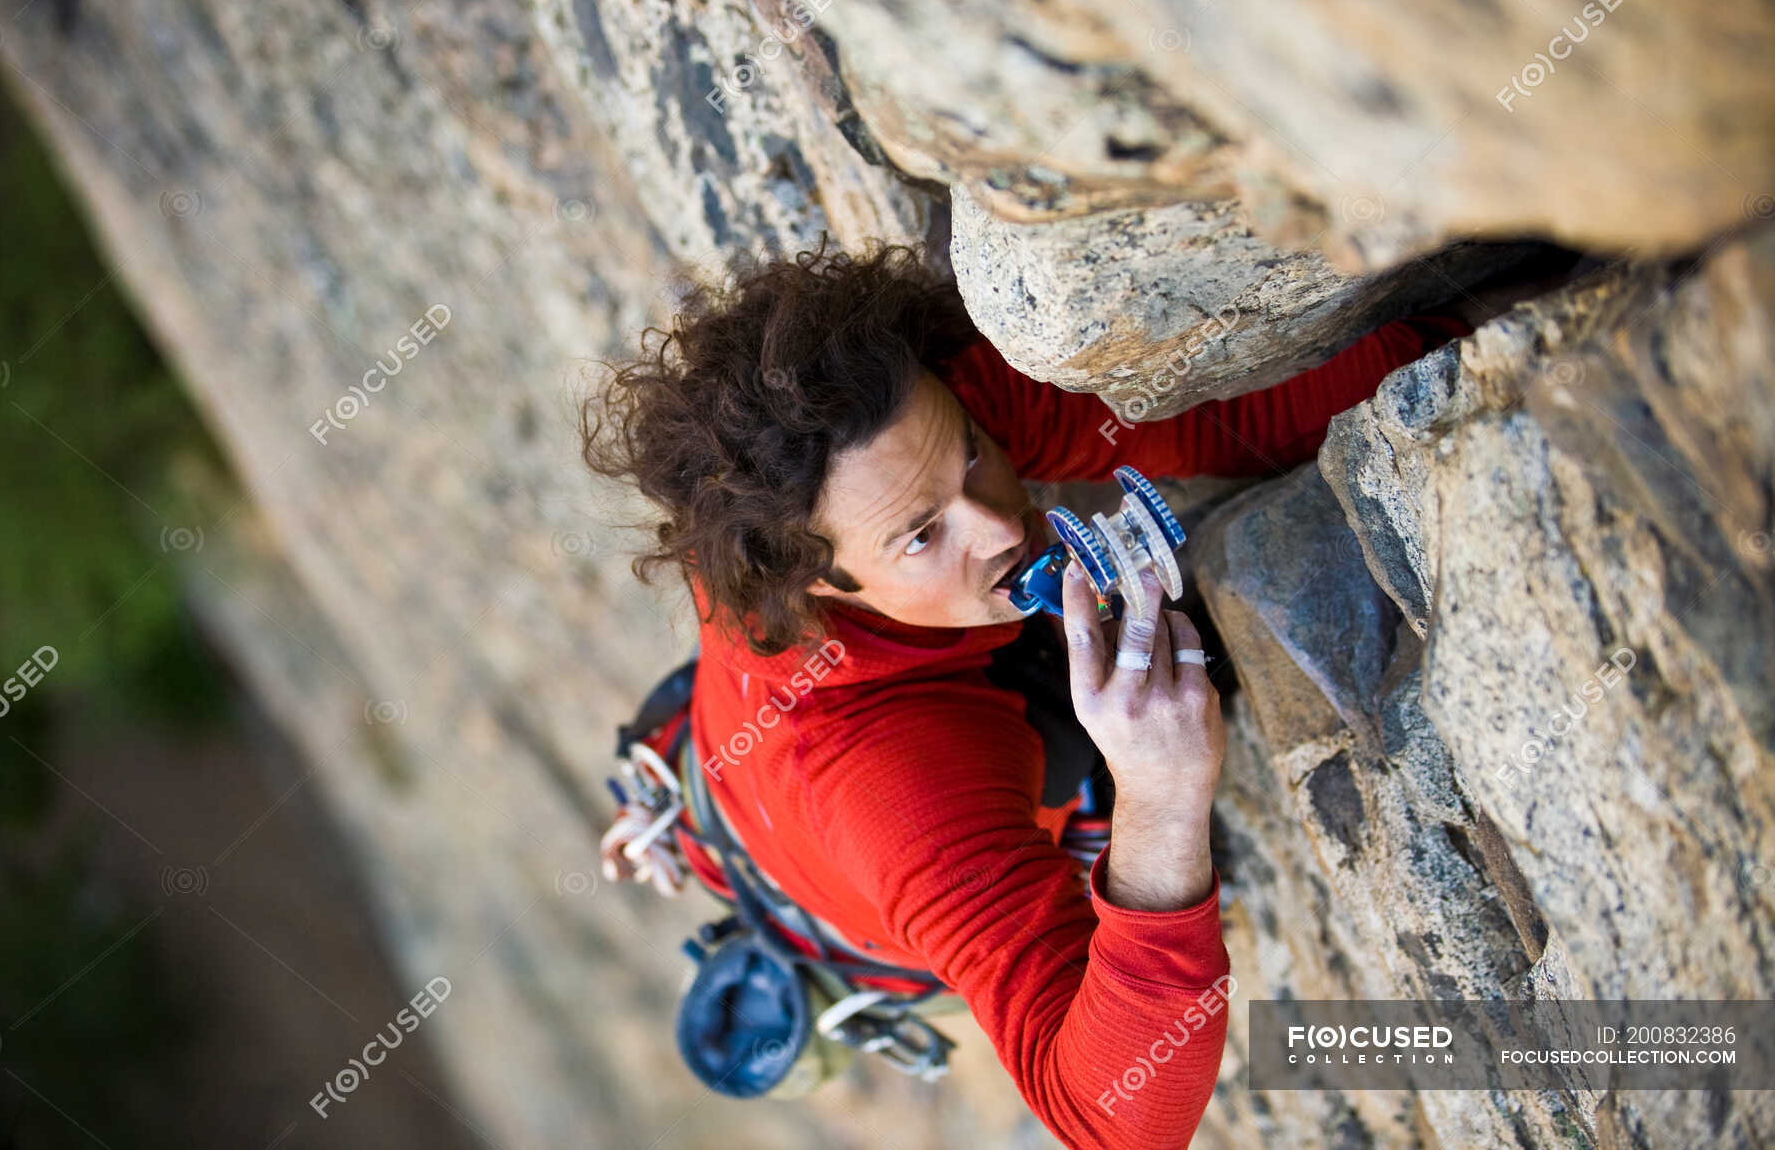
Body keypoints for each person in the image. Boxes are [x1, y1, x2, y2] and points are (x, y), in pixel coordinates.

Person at [581, 237, 1469, 1148]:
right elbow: (1109, 1121)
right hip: (854, 838)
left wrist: (1463, 340)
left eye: (972, 460)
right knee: (1067, 733)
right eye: (924, 537)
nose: (1003, 524)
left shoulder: (842, 456)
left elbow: (1214, 425)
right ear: (817, 585)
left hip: (753, 780)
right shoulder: (903, 790)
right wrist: (1162, 806)